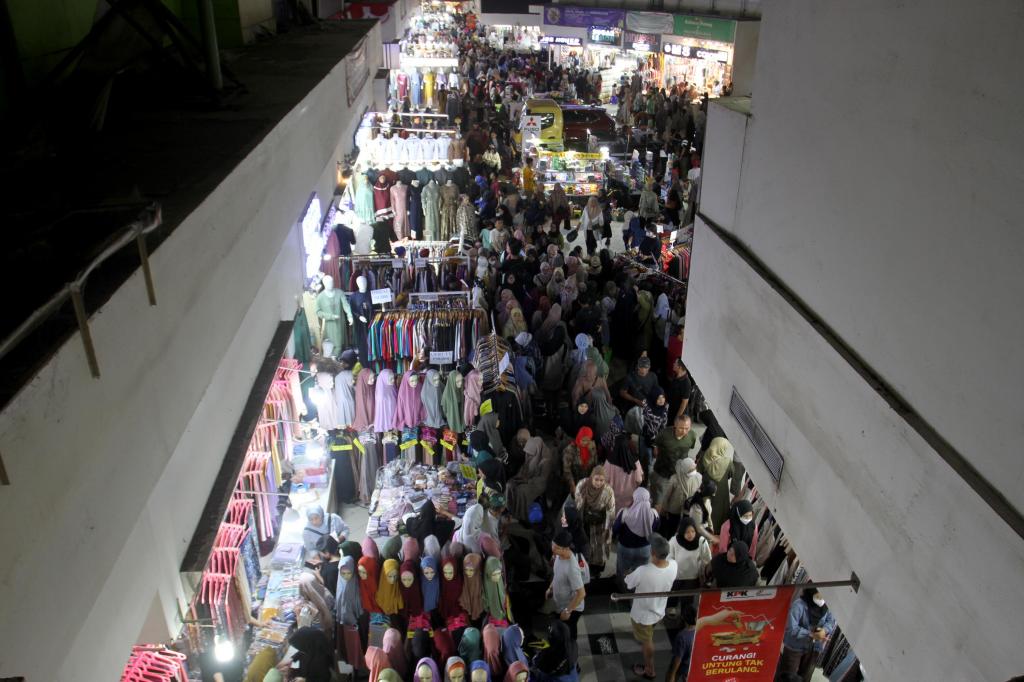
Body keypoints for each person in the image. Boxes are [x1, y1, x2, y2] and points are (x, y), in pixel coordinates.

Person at [625, 535, 677, 681]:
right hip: (659, 610)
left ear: (652, 552)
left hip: (643, 616)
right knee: (648, 633)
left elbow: (628, 583)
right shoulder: (673, 565)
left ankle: (650, 669)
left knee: (647, 641)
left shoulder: (643, 571)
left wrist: (628, 573)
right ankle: (645, 643)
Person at [779, 589, 837, 682]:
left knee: (806, 675)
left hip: (814, 647)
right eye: (819, 596)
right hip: (794, 646)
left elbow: (831, 621)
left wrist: (824, 630)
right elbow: (791, 628)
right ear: (812, 593)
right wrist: (811, 634)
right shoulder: (798, 605)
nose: (822, 599)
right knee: (789, 675)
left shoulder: (828, 605)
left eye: (824, 596)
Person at [666, 516, 711, 616]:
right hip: (677, 576)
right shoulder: (674, 541)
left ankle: (685, 615)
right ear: (682, 531)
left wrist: (705, 573)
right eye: (687, 532)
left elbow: (707, 559)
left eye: (693, 531)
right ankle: (671, 609)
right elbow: (669, 558)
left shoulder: (701, 541)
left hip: (692, 577)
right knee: (673, 594)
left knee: (687, 599)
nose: (690, 534)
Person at [614, 487, 659, 581]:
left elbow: (615, 529)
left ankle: (623, 587)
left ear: (634, 498)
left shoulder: (624, 513)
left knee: (623, 572)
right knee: (640, 573)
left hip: (625, 548)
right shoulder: (654, 514)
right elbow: (656, 529)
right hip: (645, 549)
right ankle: (636, 588)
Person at [547, 529, 586, 638]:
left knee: (569, 631)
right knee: (561, 628)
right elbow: (557, 574)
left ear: (565, 548)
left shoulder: (572, 568)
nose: (553, 548)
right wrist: (551, 588)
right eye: (552, 545)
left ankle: (570, 646)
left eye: (556, 547)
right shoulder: (558, 556)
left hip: (572, 608)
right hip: (561, 604)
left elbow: (581, 593)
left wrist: (568, 611)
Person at [657, 457, 702, 541]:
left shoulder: (698, 477)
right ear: (684, 469)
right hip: (676, 509)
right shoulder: (675, 479)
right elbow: (667, 495)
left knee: (683, 527)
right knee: (673, 527)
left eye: (694, 468)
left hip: (686, 508)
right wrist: (664, 508)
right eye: (690, 470)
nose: (693, 471)